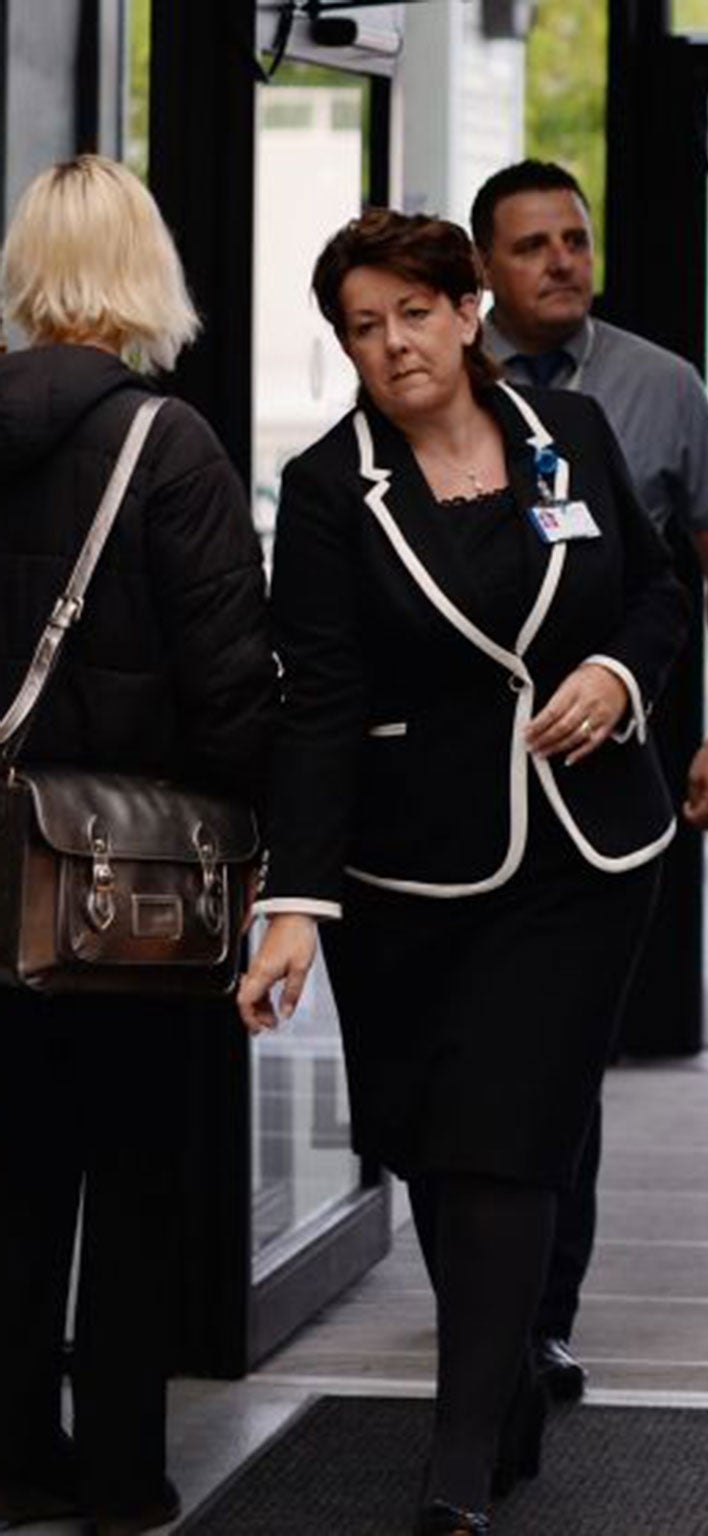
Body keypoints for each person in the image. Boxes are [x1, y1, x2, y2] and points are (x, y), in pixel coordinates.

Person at [237, 209, 686, 1536]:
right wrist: (295, 907)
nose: (393, 345)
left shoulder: (572, 438)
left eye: (413, 313)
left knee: (505, 1135)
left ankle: (454, 1462)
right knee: (440, 1144)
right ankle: (504, 1395)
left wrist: (619, 675)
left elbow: (655, 592)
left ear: (466, 309)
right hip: (411, 873)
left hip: (584, 857)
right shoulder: (331, 492)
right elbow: (315, 702)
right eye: (363, 329)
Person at [0, 154, 274, 1536]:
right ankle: (117, 1471)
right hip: (121, 888)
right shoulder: (170, 446)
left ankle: (14, 1447)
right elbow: (231, 687)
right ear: (143, 274)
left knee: (13, 1171)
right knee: (135, 1173)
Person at [468, 159, 708, 1398]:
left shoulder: (656, 387)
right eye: (531, 245)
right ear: (483, 266)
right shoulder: (435, 379)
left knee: (557, 1054)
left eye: (574, 240)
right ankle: (480, 1287)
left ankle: (535, 1318)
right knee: (459, 1056)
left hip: (596, 787)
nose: (559, 263)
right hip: (447, 795)